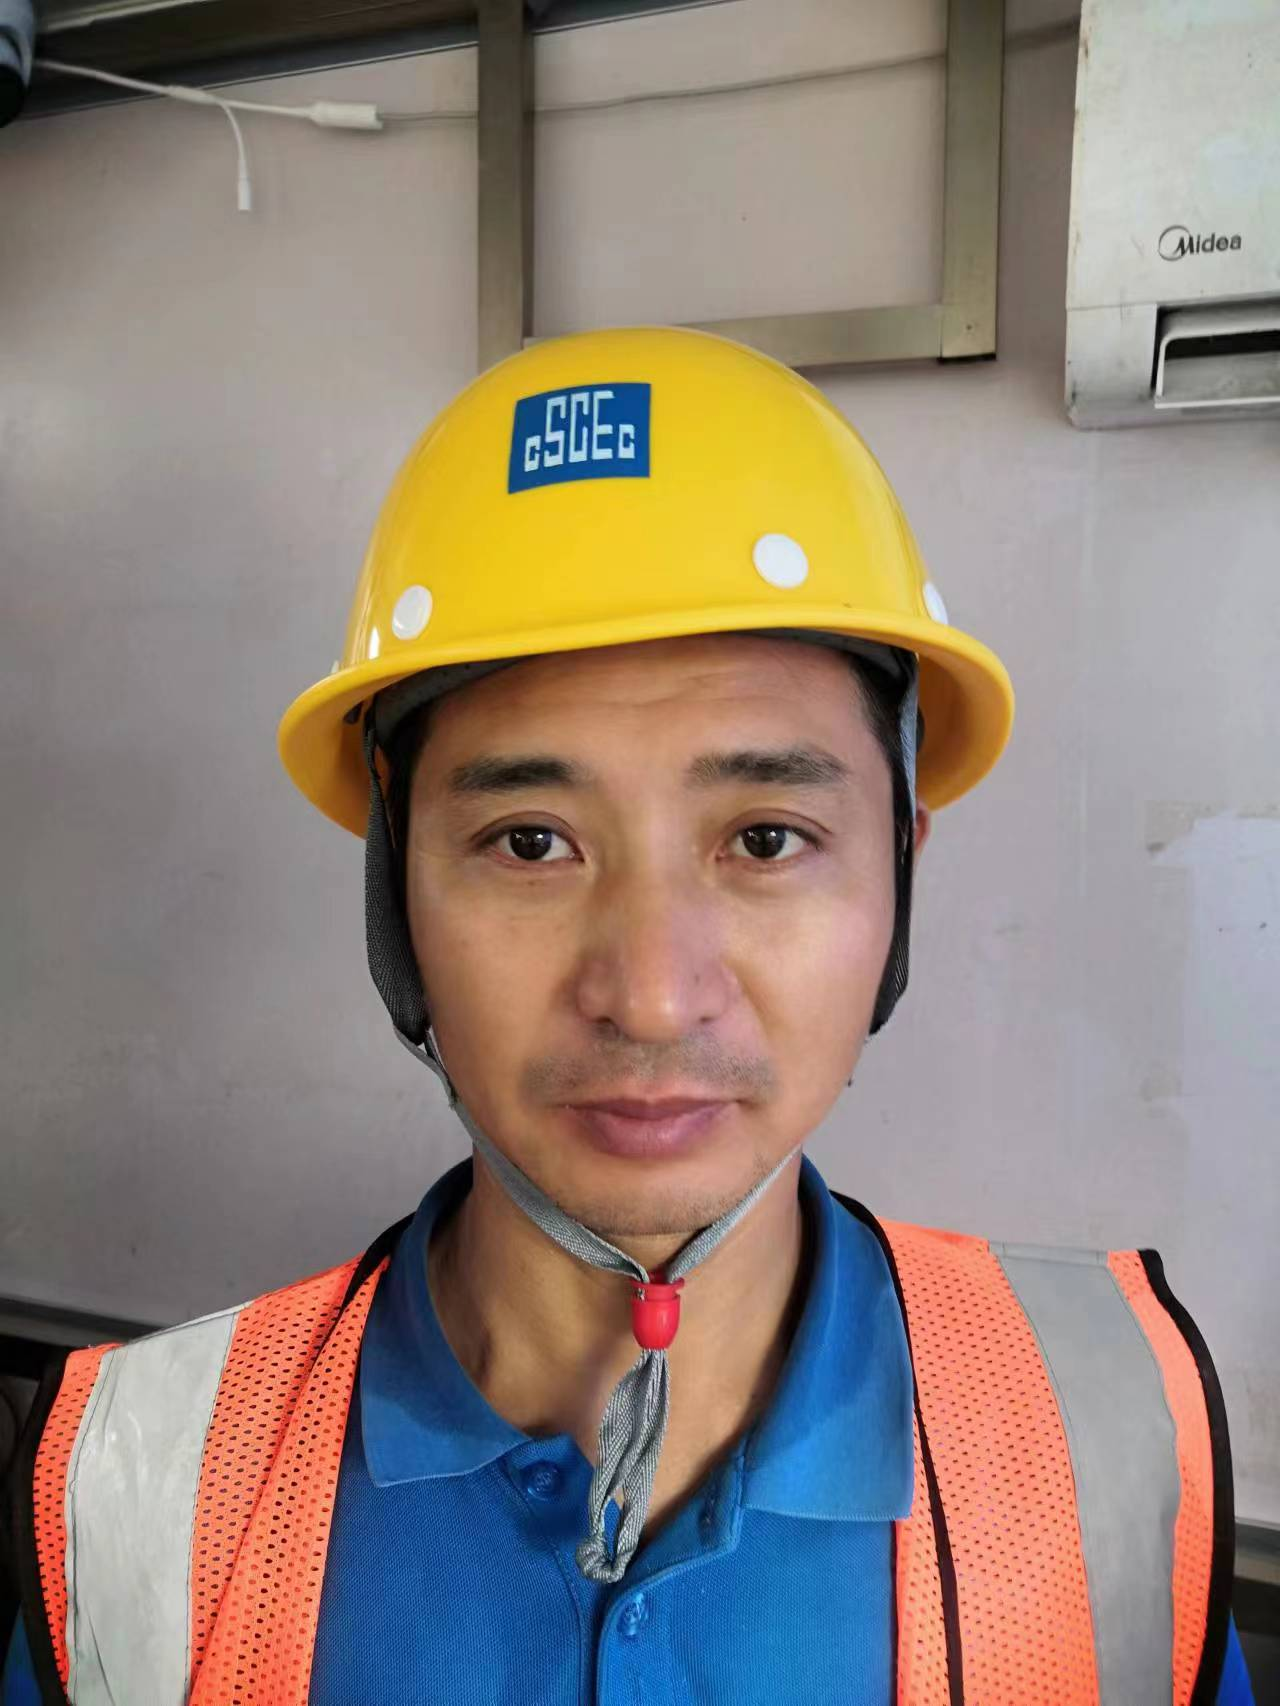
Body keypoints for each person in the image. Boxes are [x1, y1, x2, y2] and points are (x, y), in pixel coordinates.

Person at [2, 327, 1254, 1704]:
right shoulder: (137, 1492)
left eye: (766, 838)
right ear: (394, 893)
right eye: (531, 841)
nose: (653, 995)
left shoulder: (1109, 1438)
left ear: (902, 870)